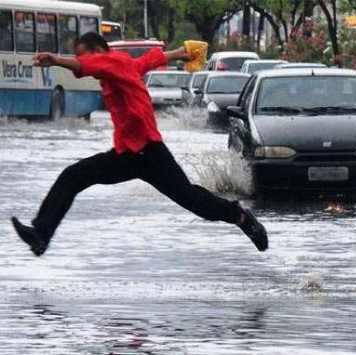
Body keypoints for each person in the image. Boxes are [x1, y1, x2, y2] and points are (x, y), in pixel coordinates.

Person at [11, 33, 268, 257]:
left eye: (83, 55)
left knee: (190, 198)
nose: (84, 61)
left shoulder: (112, 61)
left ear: (98, 51)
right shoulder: (124, 67)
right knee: (73, 176)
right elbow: (148, 61)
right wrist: (180, 53)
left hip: (148, 151)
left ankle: (241, 217)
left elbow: (88, 65)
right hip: (127, 154)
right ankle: (40, 235)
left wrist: (56, 60)